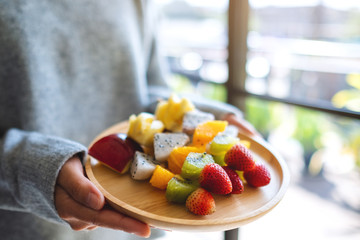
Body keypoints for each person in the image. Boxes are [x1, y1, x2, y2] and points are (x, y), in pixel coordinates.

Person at [0, 0, 258, 239]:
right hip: (31, 229)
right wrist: (29, 167)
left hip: (139, 225)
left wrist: (206, 116)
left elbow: (150, 87)